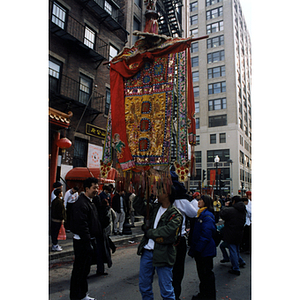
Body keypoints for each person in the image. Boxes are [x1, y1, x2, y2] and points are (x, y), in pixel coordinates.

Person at [133, 185, 183, 300]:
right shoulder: (154, 208)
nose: (157, 193)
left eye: (160, 191)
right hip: (147, 252)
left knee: (166, 289)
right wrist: (141, 193)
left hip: (164, 253)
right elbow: (138, 206)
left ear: (167, 194)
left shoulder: (175, 214)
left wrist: (149, 232)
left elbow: (167, 233)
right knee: (144, 286)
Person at [69, 177, 101, 300]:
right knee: (79, 270)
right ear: (87, 188)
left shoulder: (90, 202)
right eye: (94, 188)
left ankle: (82, 294)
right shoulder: (81, 203)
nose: (96, 190)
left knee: (85, 270)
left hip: (88, 239)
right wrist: (88, 242)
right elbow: (82, 225)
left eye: (97, 187)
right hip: (81, 241)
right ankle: (76, 296)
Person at [170, 171, 198, 300]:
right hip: (178, 238)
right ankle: (175, 295)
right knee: (178, 269)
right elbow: (194, 214)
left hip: (165, 239)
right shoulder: (182, 201)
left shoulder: (164, 199)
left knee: (167, 269)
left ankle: (169, 293)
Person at [188, 195, 216, 300]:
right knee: (203, 275)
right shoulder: (200, 214)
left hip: (205, 251)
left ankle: (208, 296)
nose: (198, 202)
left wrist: (198, 249)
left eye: (201, 200)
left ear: (206, 202)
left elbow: (206, 235)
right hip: (202, 250)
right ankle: (203, 294)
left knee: (206, 275)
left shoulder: (207, 216)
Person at [220, 195, 246, 276]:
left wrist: (225, 206)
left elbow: (223, 214)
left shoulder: (231, 210)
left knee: (232, 250)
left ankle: (235, 268)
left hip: (231, 232)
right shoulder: (243, 210)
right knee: (236, 249)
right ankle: (241, 261)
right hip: (240, 232)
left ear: (234, 201)